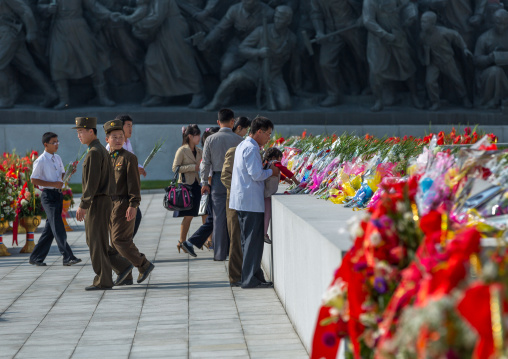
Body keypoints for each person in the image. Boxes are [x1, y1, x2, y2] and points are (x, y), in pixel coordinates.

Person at [73, 117, 133, 291]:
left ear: (91, 131)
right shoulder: (99, 149)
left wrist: (83, 204)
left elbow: (92, 182)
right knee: (96, 240)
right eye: (78, 132)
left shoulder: (94, 152)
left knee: (95, 242)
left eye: (81, 131)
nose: (79, 135)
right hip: (102, 200)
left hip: (97, 201)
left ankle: (104, 280)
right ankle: (122, 266)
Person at [203, 5, 296, 111]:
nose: (277, 21)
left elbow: (295, 63)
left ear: (288, 22)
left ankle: (266, 98)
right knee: (232, 78)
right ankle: (215, 103)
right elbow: (242, 48)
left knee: (285, 105)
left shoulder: (291, 39)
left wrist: (298, 88)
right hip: (253, 69)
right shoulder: (261, 31)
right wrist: (258, 52)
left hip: (273, 75)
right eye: (276, 17)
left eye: (281, 19)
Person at [37, 0, 118, 110]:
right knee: (58, 63)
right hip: (60, 28)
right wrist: (47, 8)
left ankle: (103, 97)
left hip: (79, 28)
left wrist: (109, 14)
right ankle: (64, 100)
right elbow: (39, 6)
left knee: (92, 61)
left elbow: (93, 5)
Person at [230, 116, 280, 288]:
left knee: (250, 241)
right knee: (252, 242)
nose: (269, 138)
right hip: (250, 201)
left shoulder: (244, 145)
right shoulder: (251, 149)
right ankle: (250, 279)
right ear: (259, 131)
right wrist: (271, 172)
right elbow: (256, 175)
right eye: (267, 134)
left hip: (244, 200)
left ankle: (254, 276)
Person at [104, 119, 154, 285]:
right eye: (114, 137)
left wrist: (133, 205)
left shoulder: (129, 158)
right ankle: (126, 275)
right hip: (110, 204)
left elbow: (134, 184)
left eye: (121, 137)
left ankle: (143, 264)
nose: (118, 140)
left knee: (120, 240)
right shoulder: (106, 158)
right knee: (113, 242)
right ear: (107, 139)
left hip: (123, 203)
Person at [29, 132, 81, 266]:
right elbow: (33, 179)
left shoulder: (57, 158)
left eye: (58, 141)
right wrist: (53, 184)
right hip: (48, 196)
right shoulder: (40, 160)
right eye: (54, 142)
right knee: (58, 226)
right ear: (46, 144)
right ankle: (67, 256)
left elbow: (62, 175)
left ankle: (36, 257)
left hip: (58, 195)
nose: (57, 144)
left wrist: (70, 171)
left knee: (50, 230)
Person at [200, 109, 243, 261]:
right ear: (233, 122)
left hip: (217, 180)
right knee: (234, 217)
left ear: (218, 122)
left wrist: (204, 182)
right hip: (235, 180)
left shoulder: (210, 140)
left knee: (218, 218)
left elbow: (205, 164)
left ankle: (219, 253)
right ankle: (234, 252)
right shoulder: (239, 140)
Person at [0, 0, 58, 109]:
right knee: (29, 68)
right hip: (7, 35)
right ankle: (50, 92)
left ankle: (6, 99)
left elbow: (25, 11)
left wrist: (32, 31)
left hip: (9, 34)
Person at [420, 11, 473, 111]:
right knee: (430, 82)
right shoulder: (422, 35)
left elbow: (457, 36)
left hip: (447, 60)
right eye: (421, 22)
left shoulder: (444, 32)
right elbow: (419, 48)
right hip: (433, 62)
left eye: (425, 22)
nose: (422, 24)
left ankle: (465, 98)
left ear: (432, 23)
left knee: (457, 79)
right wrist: (423, 58)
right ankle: (435, 102)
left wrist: (464, 48)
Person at [180, 127, 220, 257]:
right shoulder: (205, 157)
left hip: (205, 189)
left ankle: (204, 242)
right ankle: (189, 242)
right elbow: (175, 168)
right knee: (210, 219)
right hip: (205, 189)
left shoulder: (202, 152)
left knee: (210, 219)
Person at [106, 114, 145, 238]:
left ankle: (124, 246)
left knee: (133, 218)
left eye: (131, 126)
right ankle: (125, 247)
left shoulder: (128, 143)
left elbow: (130, 161)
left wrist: (138, 168)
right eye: (128, 126)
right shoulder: (111, 147)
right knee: (130, 219)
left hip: (127, 192)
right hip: (118, 193)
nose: (130, 129)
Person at [173, 125, 206, 253]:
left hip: (197, 185)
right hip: (186, 186)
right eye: (197, 135)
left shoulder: (199, 151)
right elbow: (175, 168)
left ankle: (206, 240)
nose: (199, 137)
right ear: (190, 136)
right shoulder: (182, 150)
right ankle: (181, 242)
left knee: (204, 212)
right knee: (188, 215)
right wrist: (193, 167)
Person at [262, 147, 299, 244]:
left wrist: (286, 180)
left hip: (266, 192)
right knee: (267, 214)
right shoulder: (274, 163)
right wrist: (295, 181)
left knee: (266, 213)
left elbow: (279, 174)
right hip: (268, 194)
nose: (280, 161)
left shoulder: (268, 164)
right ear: (274, 157)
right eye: (280, 158)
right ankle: (264, 233)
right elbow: (284, 170)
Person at [474, 9, 508, 109]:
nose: (502, 27)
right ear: (493, 22)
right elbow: (476, 59)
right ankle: (492, 101)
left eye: (505, 24)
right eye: (499, 23)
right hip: (488, 73)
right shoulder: (484, 38)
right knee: (496, 71)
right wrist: (489, 58)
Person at [221, 146, 243, 286]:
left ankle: (243, 274)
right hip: (234, 200)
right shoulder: (234, 150)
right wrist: (240, 190)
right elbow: (225, 176)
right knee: (235, 238)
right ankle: (235, 277)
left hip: (246, 202)